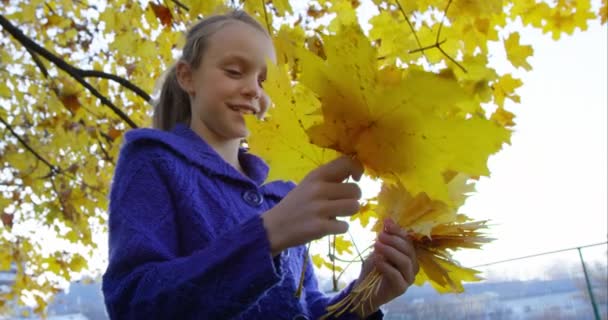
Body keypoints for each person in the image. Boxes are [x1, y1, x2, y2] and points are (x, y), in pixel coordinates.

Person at [102, 10, 419, 320]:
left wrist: (362, 297)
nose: (255, 89)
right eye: (235, 71)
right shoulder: (154, 160)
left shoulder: (280, 191)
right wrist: (268, 235)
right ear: (187, 76)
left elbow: (303, 310)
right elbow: (132, 301)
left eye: (264, 80)